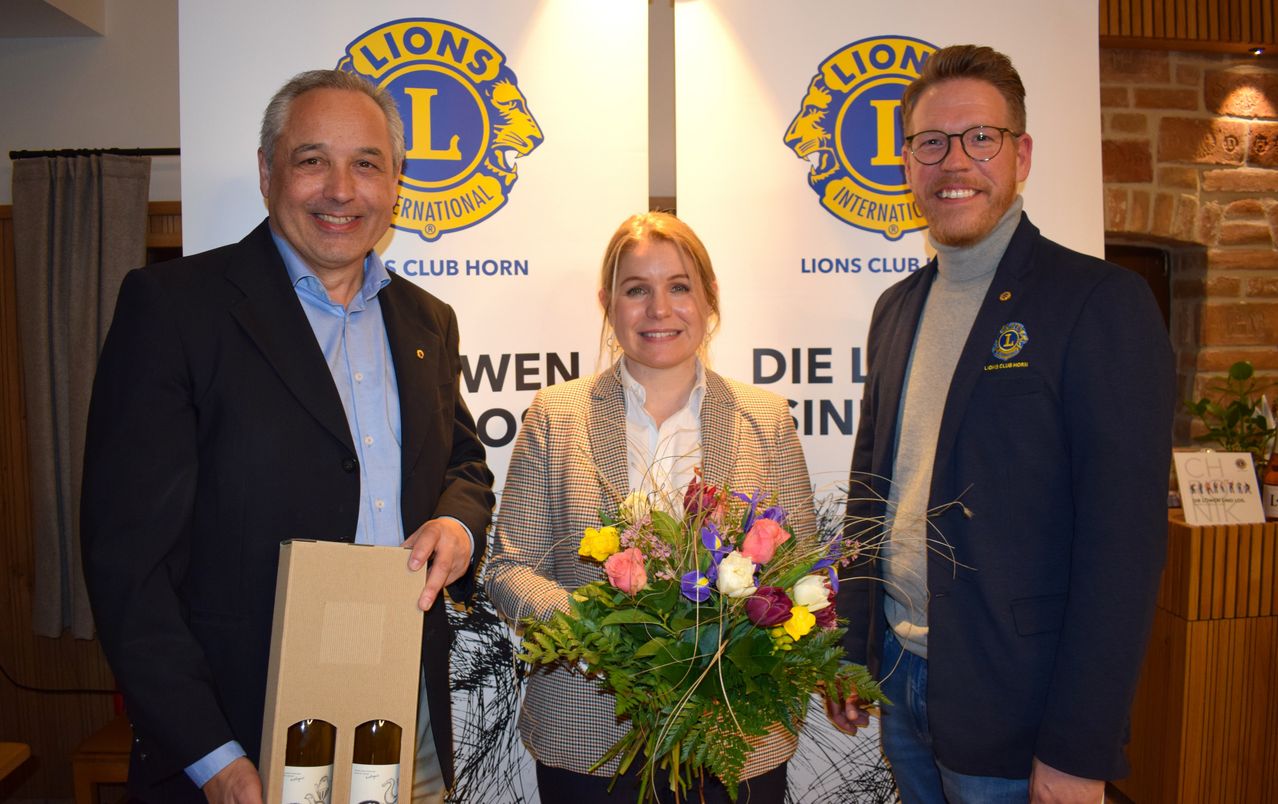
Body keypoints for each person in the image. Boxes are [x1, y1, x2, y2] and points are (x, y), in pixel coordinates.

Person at [80, 69, 494, 803]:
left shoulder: (429, 322)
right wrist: (211, 756)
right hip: (243, 736)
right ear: (269, 173)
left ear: (395, 183)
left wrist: (457, 523)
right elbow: (127, 563)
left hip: (409, 721)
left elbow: (464, 459)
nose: (341, 189)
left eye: (366, 163)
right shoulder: (174, 309)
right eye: (312, 161)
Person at [826, 45, 1175, 803]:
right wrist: (852, 652)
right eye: (930, 143)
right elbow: (870, 497)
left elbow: (1124, 550)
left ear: (1020, 154)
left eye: (979, 138)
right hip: (901, 687)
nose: (955, 162)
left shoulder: (1099, 305)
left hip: (1021, 715)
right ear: (908, 164)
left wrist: (1081, 748)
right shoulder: (897, 311)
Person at [483, 212, 815, 802]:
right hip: (590, 735)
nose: (659, 309)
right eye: (637, 290)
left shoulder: (766, 419)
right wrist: (601, 636)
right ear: (609, 304)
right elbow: (509, 569)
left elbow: (802, 568)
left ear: (709, 299)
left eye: (679, 286)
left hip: (736, 737)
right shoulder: (555, 418)